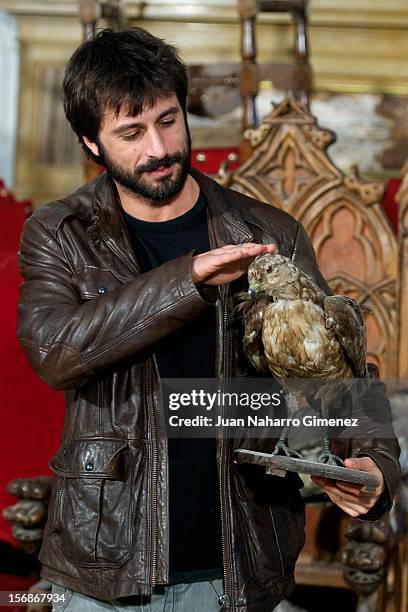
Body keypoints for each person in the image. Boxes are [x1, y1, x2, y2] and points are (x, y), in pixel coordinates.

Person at [17, 27, 400, 612]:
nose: (158, 148)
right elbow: (56, 352)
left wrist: (374, 463)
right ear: (91, 143)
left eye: (168, 120)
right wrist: (188, 278)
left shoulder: (269, 233)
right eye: (131, 132)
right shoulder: (61, 234)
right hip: (102, 562)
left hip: (240, 561)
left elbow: (339, 371)